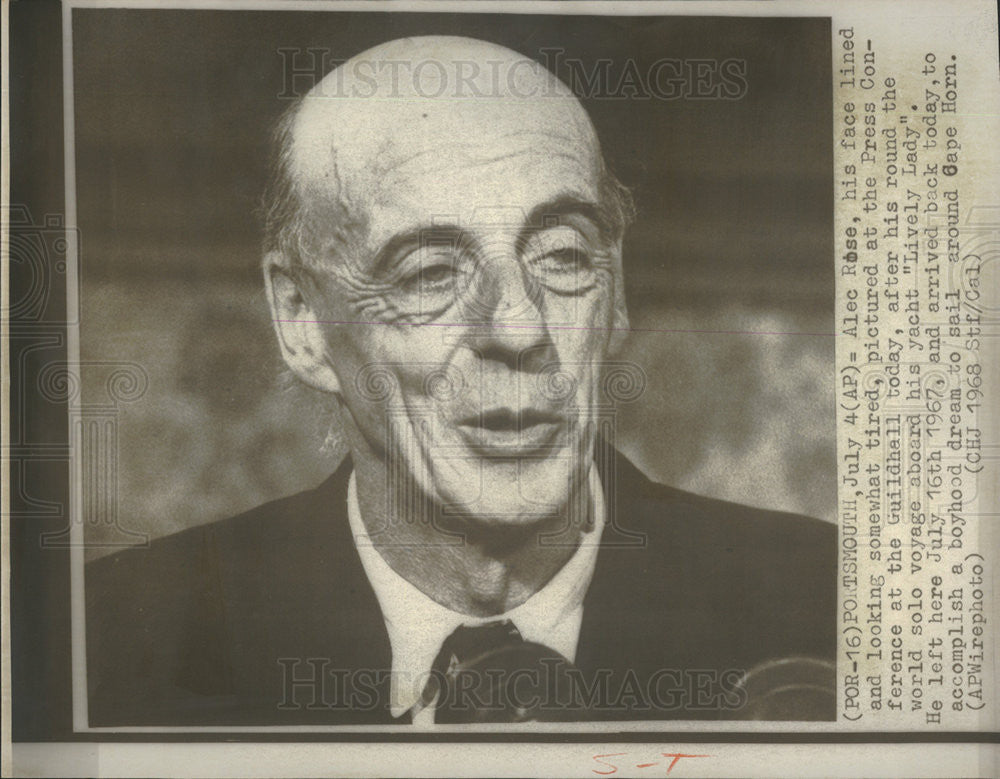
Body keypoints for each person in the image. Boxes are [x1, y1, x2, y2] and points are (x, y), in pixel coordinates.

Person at [86, 36, 836, 726]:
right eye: (431, 273)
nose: (518, 329)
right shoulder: (116, 643)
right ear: (302, 320)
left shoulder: (829, 605)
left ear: (617, 293)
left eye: (563, 256)